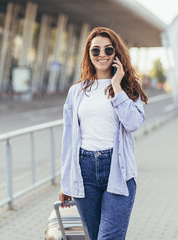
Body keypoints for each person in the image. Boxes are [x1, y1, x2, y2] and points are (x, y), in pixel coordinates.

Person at [58, 27, 148, 240]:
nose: (102, 55)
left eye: (108, 50)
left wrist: (117, 86)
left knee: (109, 237)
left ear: (116, 53)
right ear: (88, 55)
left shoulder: (128, 88)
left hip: (117, 169)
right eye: (95, 50)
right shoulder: (77, 91)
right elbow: (68, 139)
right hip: (84, 171)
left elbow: (134, 123)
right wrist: (65, 181)